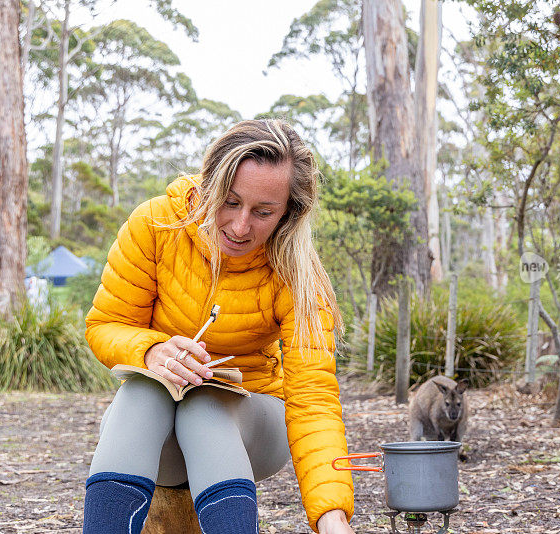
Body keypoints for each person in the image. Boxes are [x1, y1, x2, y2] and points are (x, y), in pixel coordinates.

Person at [82, 119, 355, 534]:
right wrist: (152, 351)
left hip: (251, 427)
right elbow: (107, 324)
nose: (241, 226)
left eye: (263, 212)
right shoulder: (154, 225)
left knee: (204, 404)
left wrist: (332, 517)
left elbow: (313, 400)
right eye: (230, 202)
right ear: (209, 185)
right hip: (155, 433)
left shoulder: (299, 275)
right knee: (140, 391)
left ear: (288, 213)